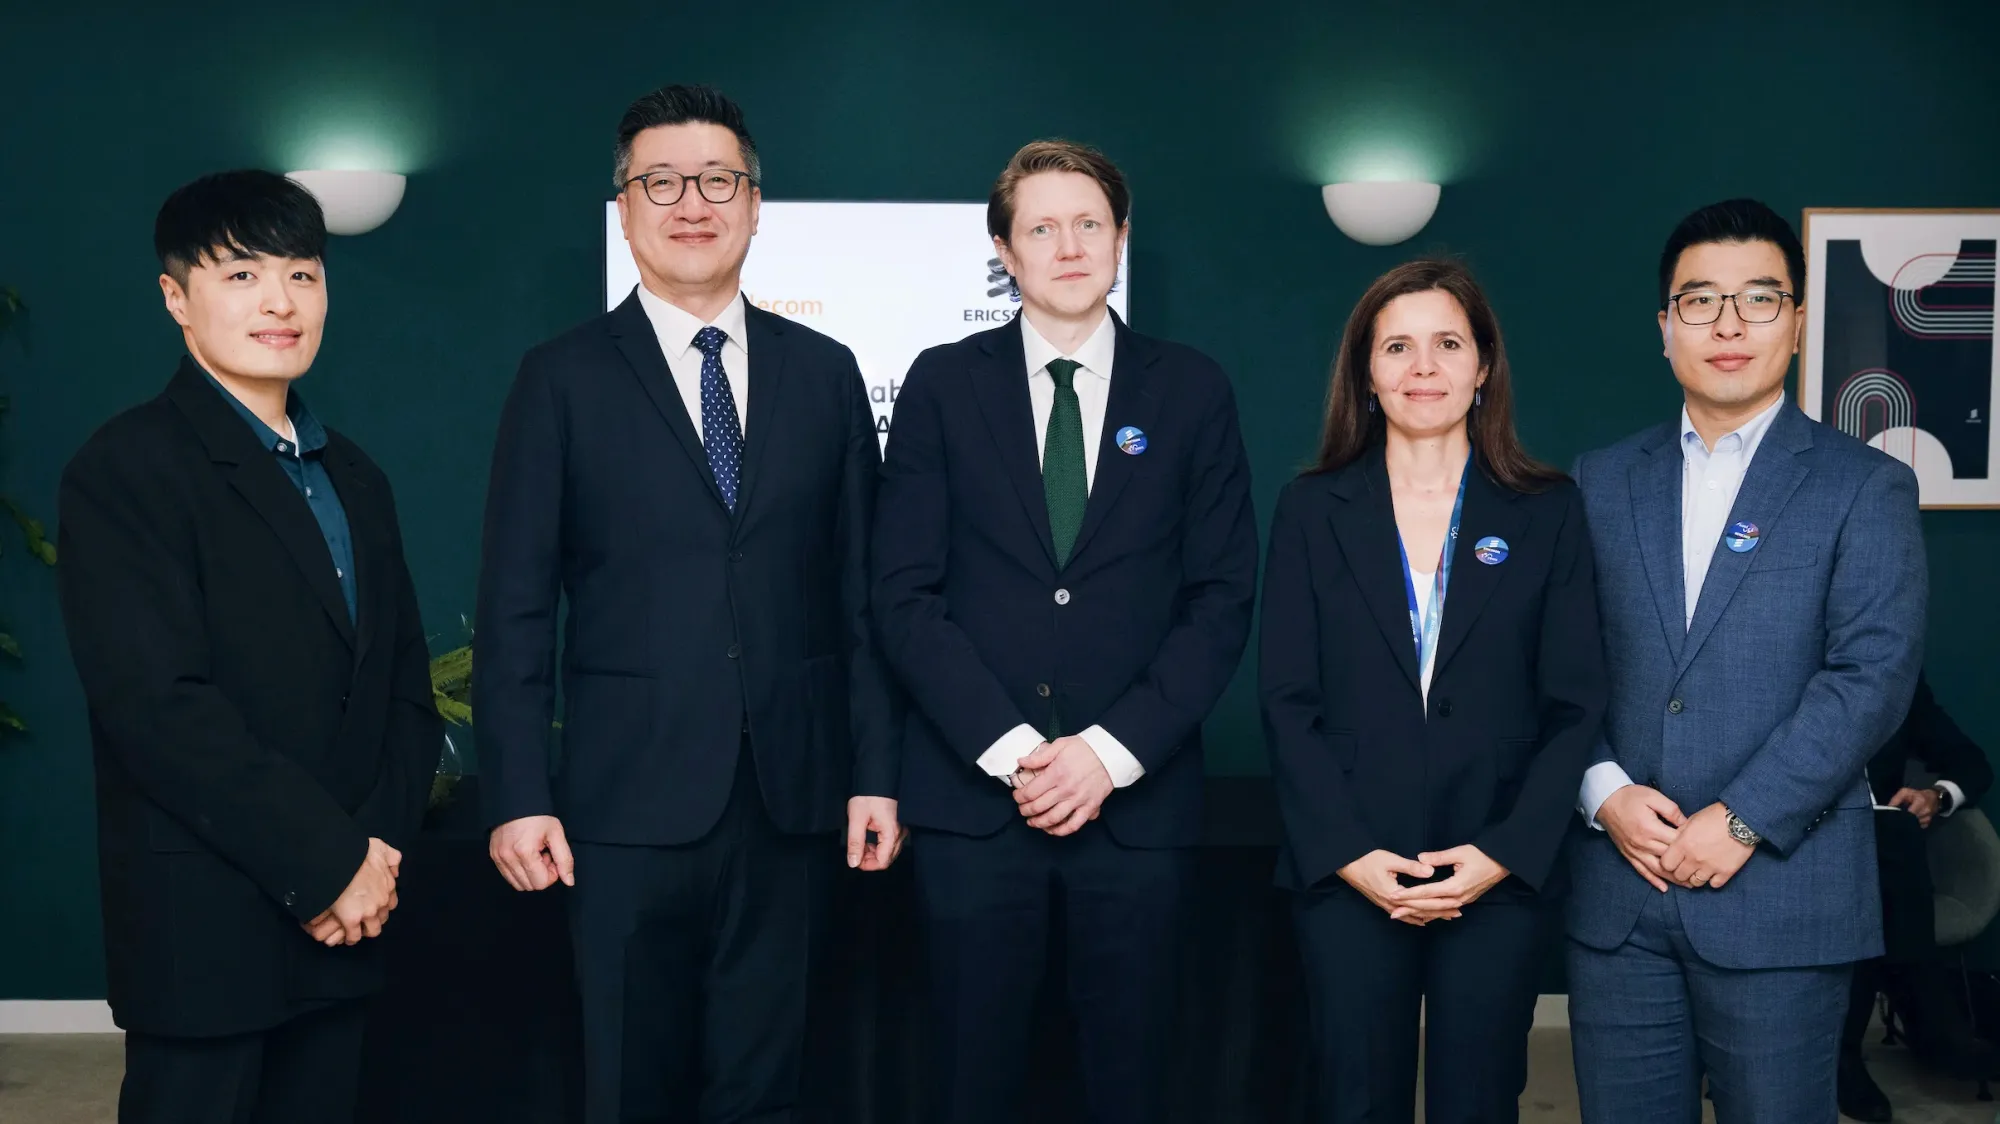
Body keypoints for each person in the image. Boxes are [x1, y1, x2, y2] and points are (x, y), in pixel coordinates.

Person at [474, 83, 901, 1124]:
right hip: (621, 806)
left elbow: (861, 597)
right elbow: (516, 602)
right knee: (630, 1083)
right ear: (624, 210)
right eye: (660, 182)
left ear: (755, 205)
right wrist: (518, 790)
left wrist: (873, 773)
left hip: (793, 798)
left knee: (769, 1086)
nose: (692, 203)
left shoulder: (826, 373)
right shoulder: (559, 378)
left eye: (717, 180)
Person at [871, 139, 1258, 1124]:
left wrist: (1104, 754)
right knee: (971, 1081)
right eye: (1041, 228)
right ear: (1003, 251)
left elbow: (1220, 597)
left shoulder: (1191, 389)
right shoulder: (940, 384)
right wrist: (1016, 753)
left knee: (1130, 1083)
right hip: (972, 810)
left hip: (1136, 811)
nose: (1069, 246)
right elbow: (904, 594)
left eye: (1089, 224)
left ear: (1121, 238)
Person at [55, 170, 441, 1124]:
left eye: (302, 274)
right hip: (208, 929)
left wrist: (373, 858)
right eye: (241, 275)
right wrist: (328, 862)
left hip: (352, 921)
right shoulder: (126, 466)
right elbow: (158, 708)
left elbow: (402, 690)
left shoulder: (357, 476)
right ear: (175, 297)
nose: (280, 301)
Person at [1567, 198, 1928, 1124]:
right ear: (1664, 327)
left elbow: (1870, 677)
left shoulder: (1867, 486)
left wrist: (1740, 819)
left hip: (1781, 894)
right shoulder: (1597, 481)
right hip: (1620, 890)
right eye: (1700, 301)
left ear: (1797, 323)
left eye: (1759, 299)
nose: (1728, 325)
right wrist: (1602, 790)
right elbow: (1554, 664)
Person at [1258, 259, 1606, 1122]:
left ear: (1483, 367)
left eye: (1448, 344)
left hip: (1495, 867)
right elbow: (1287, 701)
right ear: (1366, 373)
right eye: (1398, 347)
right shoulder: (1311, 509)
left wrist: (1504, 852)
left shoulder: (1547, 508)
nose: (1423, 367)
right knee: (1353, 1101)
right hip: (1350, 866)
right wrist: (1348, 853)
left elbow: (1575, 704)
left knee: (1479, 1102)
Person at [1838, 670, 1996, 1121]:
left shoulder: (1895, 679)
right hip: (1783, 839)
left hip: (1875, 852)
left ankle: (1858, 1043)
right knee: (1885, 839)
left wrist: (1935, 797)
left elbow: (1971, 762)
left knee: (1891, 832)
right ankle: (1925, 1009)